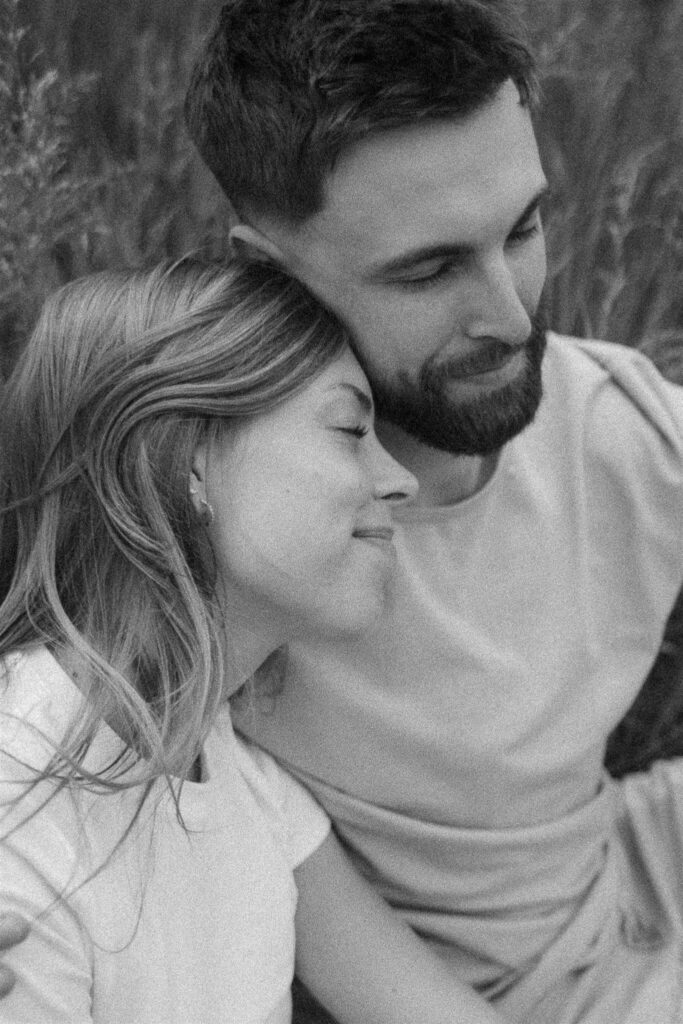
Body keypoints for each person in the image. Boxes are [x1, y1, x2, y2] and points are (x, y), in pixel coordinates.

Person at [174, 2, 683, 1023]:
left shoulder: (614, 418)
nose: (510, 315)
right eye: (427, 268)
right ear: (266, 270)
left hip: (632, 875)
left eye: (523, 229)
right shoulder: (221, 537)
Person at [0, 255, 519, 1024]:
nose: (398, 481)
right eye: (349, 429)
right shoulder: (18, 811)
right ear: (184, 463)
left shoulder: (244, 789)